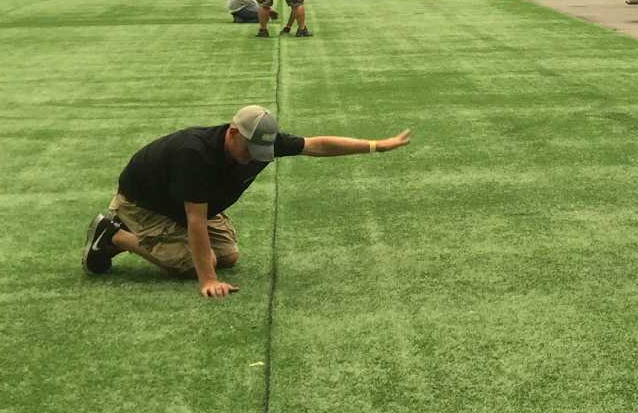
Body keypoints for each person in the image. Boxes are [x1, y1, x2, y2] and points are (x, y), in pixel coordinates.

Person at [83, 105, 412, 296]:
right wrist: (207, 280)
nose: (252, 159)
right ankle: (113, 234)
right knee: (197, 263)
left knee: (228, 256)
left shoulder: (262, 142)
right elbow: (195, 220)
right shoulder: (195, 155)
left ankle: (139, 240)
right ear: (232, 132)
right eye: (248, 150)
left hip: (191, 204)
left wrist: (375, 145)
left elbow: (317, 145)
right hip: (144, 203)